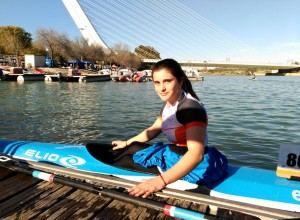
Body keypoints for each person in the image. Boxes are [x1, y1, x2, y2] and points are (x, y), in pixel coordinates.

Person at [112, 58, 227, 198]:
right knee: (130, 148)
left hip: (193, 164)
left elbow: (196, 154)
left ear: (181, 81)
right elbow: (154, 129)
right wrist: (127, 142)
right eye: (157, 83)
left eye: (167, 81)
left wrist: (160, 181)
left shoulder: (190, 108)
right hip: (175, 153)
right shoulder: (169, 104)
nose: (162, 88)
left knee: (122, 161)